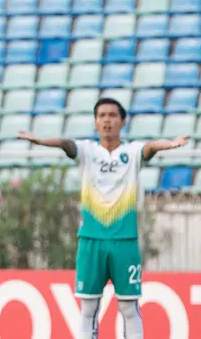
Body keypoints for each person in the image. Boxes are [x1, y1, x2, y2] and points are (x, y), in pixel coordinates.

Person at [18, 98, 189, 339]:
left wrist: (169, 144)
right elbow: (66, 144)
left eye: (112, 115)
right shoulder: (88, 151)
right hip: (91, 240)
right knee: (88, 308)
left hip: (124, 242)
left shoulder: (131, 153)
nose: (107, 120)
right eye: (102, 115)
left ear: (122, 121)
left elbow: (150, 146)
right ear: (95, 122)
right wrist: (41, 141)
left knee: (129, 307)